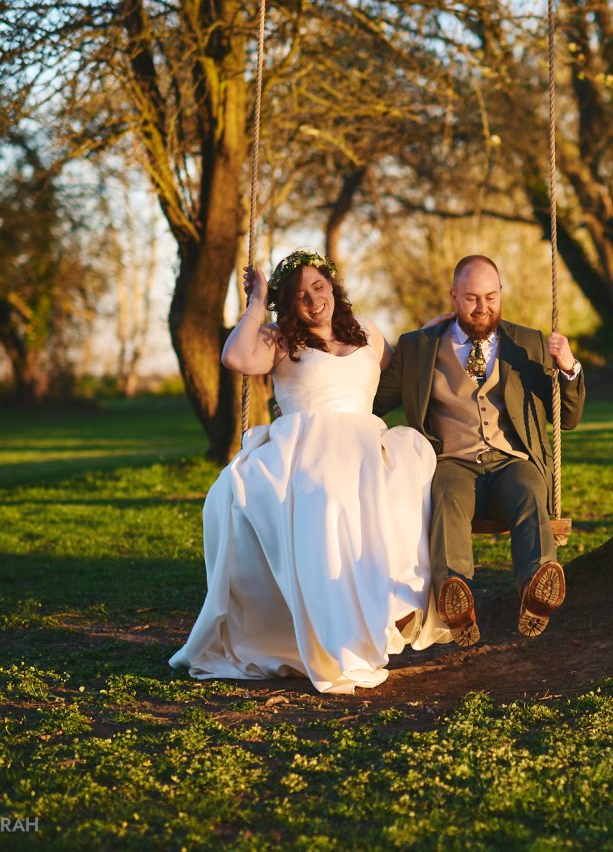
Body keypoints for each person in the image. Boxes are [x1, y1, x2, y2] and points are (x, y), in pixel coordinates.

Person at [169, 250, 450, 694]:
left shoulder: (368, 334)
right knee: (327, 502)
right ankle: (333, 636)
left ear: (333, 287)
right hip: (305, 448)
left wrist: (430, 336)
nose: (313, 299)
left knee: (402, 481)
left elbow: (398, 375)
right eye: (299, 295)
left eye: (319, 287)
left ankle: (390, 607)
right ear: (287, 303)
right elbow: (236, 359)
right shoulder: (279, 340)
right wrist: (257, 299)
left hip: (365, 444)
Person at [374, 255, 586, 647]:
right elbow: (373, 402)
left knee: (528, 491)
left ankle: (537, 588)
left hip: (511, 461)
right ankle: (458, 601)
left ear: (500, 292)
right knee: (448, 496)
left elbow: (567, 418)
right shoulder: (417, 348)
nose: (482, 307)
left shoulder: (529, 343)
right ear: (454, 296)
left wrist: (569, 366)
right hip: (454, 461)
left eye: (491, 296)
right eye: (471, 298)